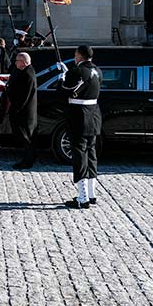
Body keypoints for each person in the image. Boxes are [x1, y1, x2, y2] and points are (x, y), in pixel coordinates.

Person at [57, 45, 102, 209]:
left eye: (76, 54)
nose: (74, 57)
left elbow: (64, 92)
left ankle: (82, 198)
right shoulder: (97, 70)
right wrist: (68, 73)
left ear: (80, 55)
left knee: (79, 155)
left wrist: (62, 77)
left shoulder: (76, 72)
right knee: (91, 154)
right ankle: (91, 194)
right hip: (94, 115)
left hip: (79, 117)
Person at [6, 52, 38, 169]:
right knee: (26, 137)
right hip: (23, 110)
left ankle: (28, 161)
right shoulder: (23, 71)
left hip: (24, 111)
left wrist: (15, 109)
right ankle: (29, 157)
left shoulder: (27, 75)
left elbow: (24, 95)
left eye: (17, 61)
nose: (15, 63)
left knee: (27, 137)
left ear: (24, 62)